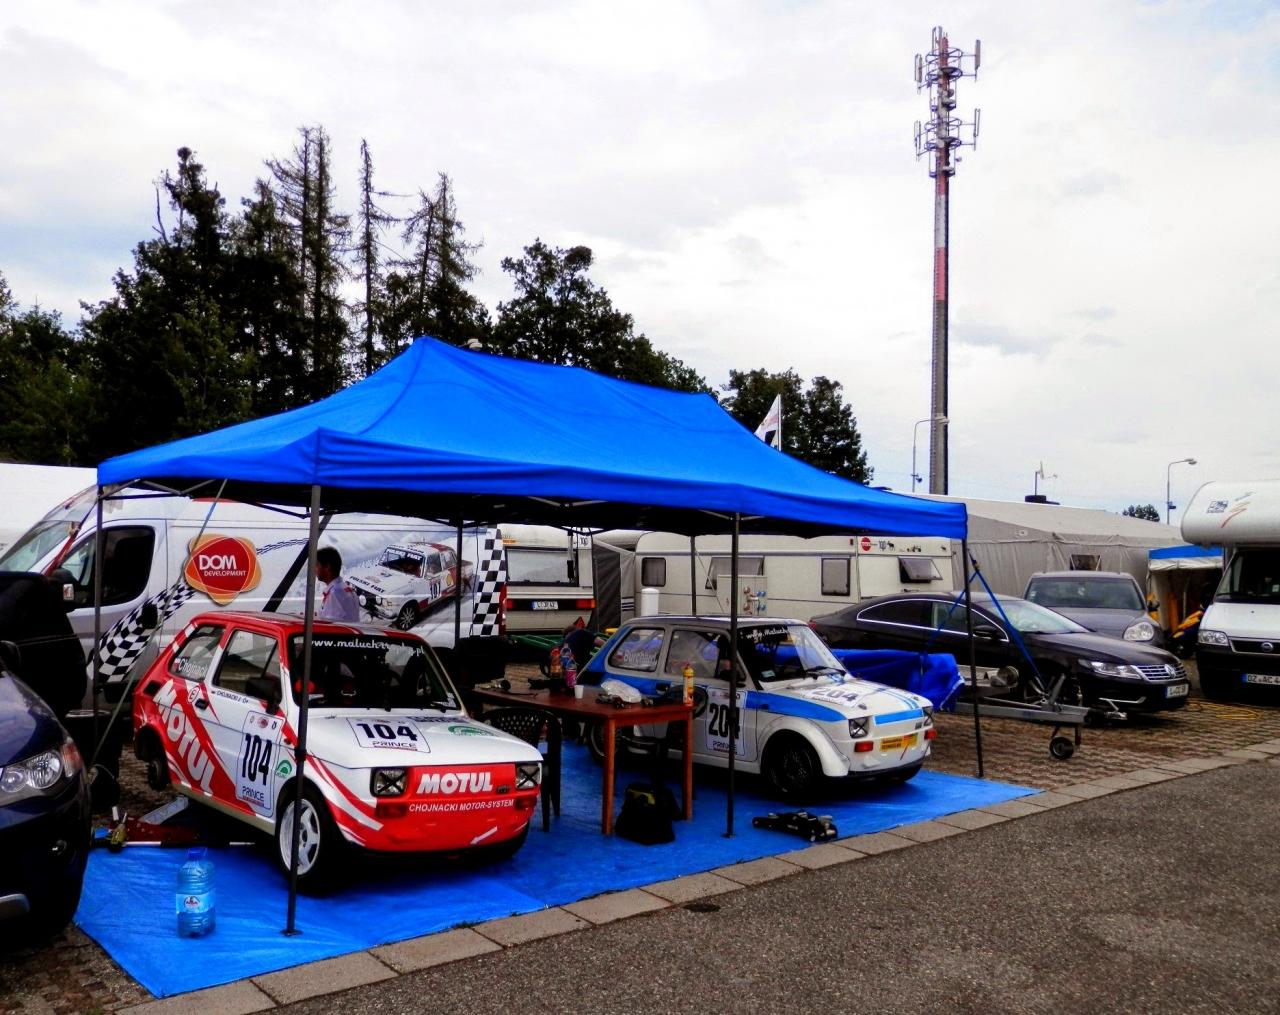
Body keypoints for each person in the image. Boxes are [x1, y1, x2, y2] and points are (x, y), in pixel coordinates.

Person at [316, 546, 360, 622]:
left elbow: (331, 626)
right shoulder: (345, 589)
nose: (314, 569)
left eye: (317, 565)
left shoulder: (334, 594)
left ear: (327, 567)